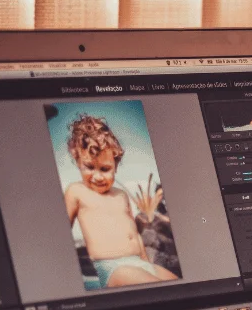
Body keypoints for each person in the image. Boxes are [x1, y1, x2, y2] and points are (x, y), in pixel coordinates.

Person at [63, 115, 178, 288]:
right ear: (78, 161)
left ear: (116, 166)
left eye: (105, 169)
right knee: (163, 291)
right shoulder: (77, 191)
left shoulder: (121, 195)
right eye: (89, 167)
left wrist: (147, 263)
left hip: (140, 263)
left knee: (180, 285)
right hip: (115, 268)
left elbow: (134, 233)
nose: (97, 176)